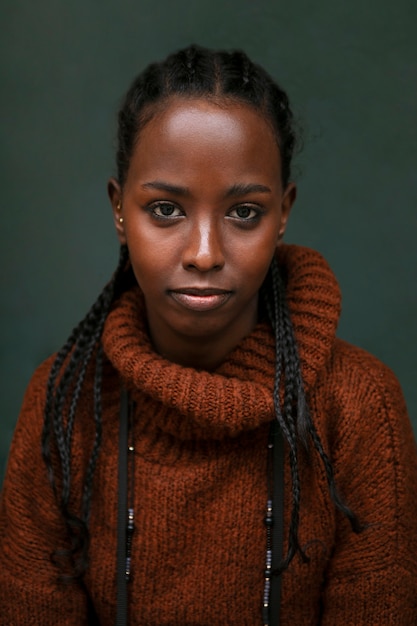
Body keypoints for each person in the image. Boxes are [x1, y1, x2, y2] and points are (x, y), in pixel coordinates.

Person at [1, 44, 416, 626]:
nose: (204, 253)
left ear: (283, 214)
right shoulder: (64, 402)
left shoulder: (358, 405)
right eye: (166, 209)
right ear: (120, 211)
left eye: (243, 212)